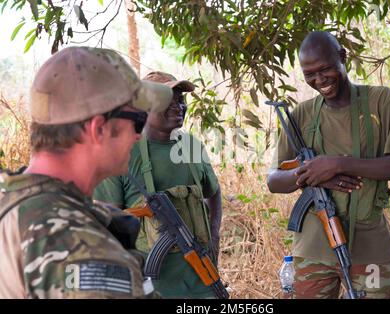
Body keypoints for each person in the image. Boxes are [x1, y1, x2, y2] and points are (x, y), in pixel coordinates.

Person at [0, 46, 173, 298]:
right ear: (99, 129)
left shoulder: (11, 198)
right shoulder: (85, 251)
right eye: (137, 121)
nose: (139, 135)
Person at [267, 31, 390, 299]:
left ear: (342, 57)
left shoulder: (382, 101)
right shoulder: (301, 114)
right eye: (309, 73)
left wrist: (337, 164)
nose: (319, 80)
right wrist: (313, 175)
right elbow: (274, 180)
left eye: (325, 69)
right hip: (312, 248)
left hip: (369, 244)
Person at [93, 71, 223, 298]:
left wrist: (213, 235)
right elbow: (107, 222)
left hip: (200, 278)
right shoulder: (120, 153)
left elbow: (214, 192)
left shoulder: (191, 146)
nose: (178, 106)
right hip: (152, 285)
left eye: (181, 100)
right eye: (167, 101)